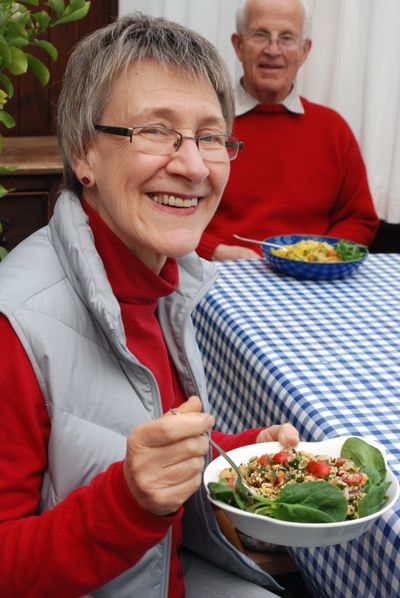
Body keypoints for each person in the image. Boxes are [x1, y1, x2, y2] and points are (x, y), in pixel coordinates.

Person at [0, 13, 300, 598]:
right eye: (155, 131)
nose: (192, 166)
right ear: (84, 154)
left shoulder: (167, 279)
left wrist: (240, 454)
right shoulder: (15, 327)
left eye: (210, 137)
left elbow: (125, 439)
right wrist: (129, 502)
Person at [197, 0, 379, 261]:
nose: (273, 50)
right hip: (220, 273)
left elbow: (359, 218)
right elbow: (169, 209)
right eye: (261, 35)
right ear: (238, 45)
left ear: (305, 51)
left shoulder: (333, 129)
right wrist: (214, 251)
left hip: (312, 279)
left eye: (286, 38)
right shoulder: (203, 122)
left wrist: (319, 257)